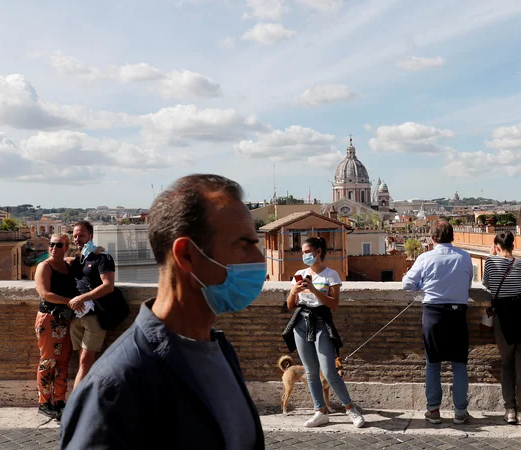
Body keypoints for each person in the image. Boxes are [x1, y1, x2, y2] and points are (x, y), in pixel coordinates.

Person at [60, 174, 266, 449]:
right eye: (244, 244)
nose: (260, 259)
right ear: (187, 255)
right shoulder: (115, 387)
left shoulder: (222, 352)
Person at [282, 236, 365, 428]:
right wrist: (295, 290)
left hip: (321, 322)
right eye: (302, 252)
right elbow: (290, 305)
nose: (303, 255)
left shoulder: (331, 275)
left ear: (317, 252)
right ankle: (320, 411)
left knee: (329, 371)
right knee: (311, 371)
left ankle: (350, 408)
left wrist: (313, 290)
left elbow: (333, 304)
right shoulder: (299, 273)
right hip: (301, 322)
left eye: (306, 252)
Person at [403, 220, 473, 425]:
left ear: (432, 238)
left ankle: (433, 410)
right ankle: (460, 412)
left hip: (433, 314)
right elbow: (467, 284)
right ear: (452, 236)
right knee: (459, 364)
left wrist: (422, 285)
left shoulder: (425, 258)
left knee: (433, 363)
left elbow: (407, 284)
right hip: (458, 314)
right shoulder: (465, 257)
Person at [482, 231, 521, 425]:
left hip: (504, 316)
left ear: (496, 245)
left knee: (506, 363)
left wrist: (493, 256)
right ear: (513, 244)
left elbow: (487, 284)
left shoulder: (490, 261)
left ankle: (509, 410)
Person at [67, 220, 114, 389]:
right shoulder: (76, 261)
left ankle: (75, 408)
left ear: (91, 236)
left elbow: (108, 285)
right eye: (75, 236)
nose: (78, 239)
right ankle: (87, 400)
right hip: (77, 317)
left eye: (82, 235)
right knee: (83, 363)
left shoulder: (103, 257)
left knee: (86, 363)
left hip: (94, 318)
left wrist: (82, 298)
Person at [33, 234, 77, 419]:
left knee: (62, 362)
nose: (54, 248)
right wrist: (71, 301)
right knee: (48, 360)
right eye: (51, 244)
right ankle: (44, 403)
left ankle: (59, 400)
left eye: (59, 245)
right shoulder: (44, 266)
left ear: (66, 247)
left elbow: (84, 258)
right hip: (50, 319)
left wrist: (98, 251)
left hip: (65, 320)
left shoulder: (67, 264)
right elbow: (45, 294)